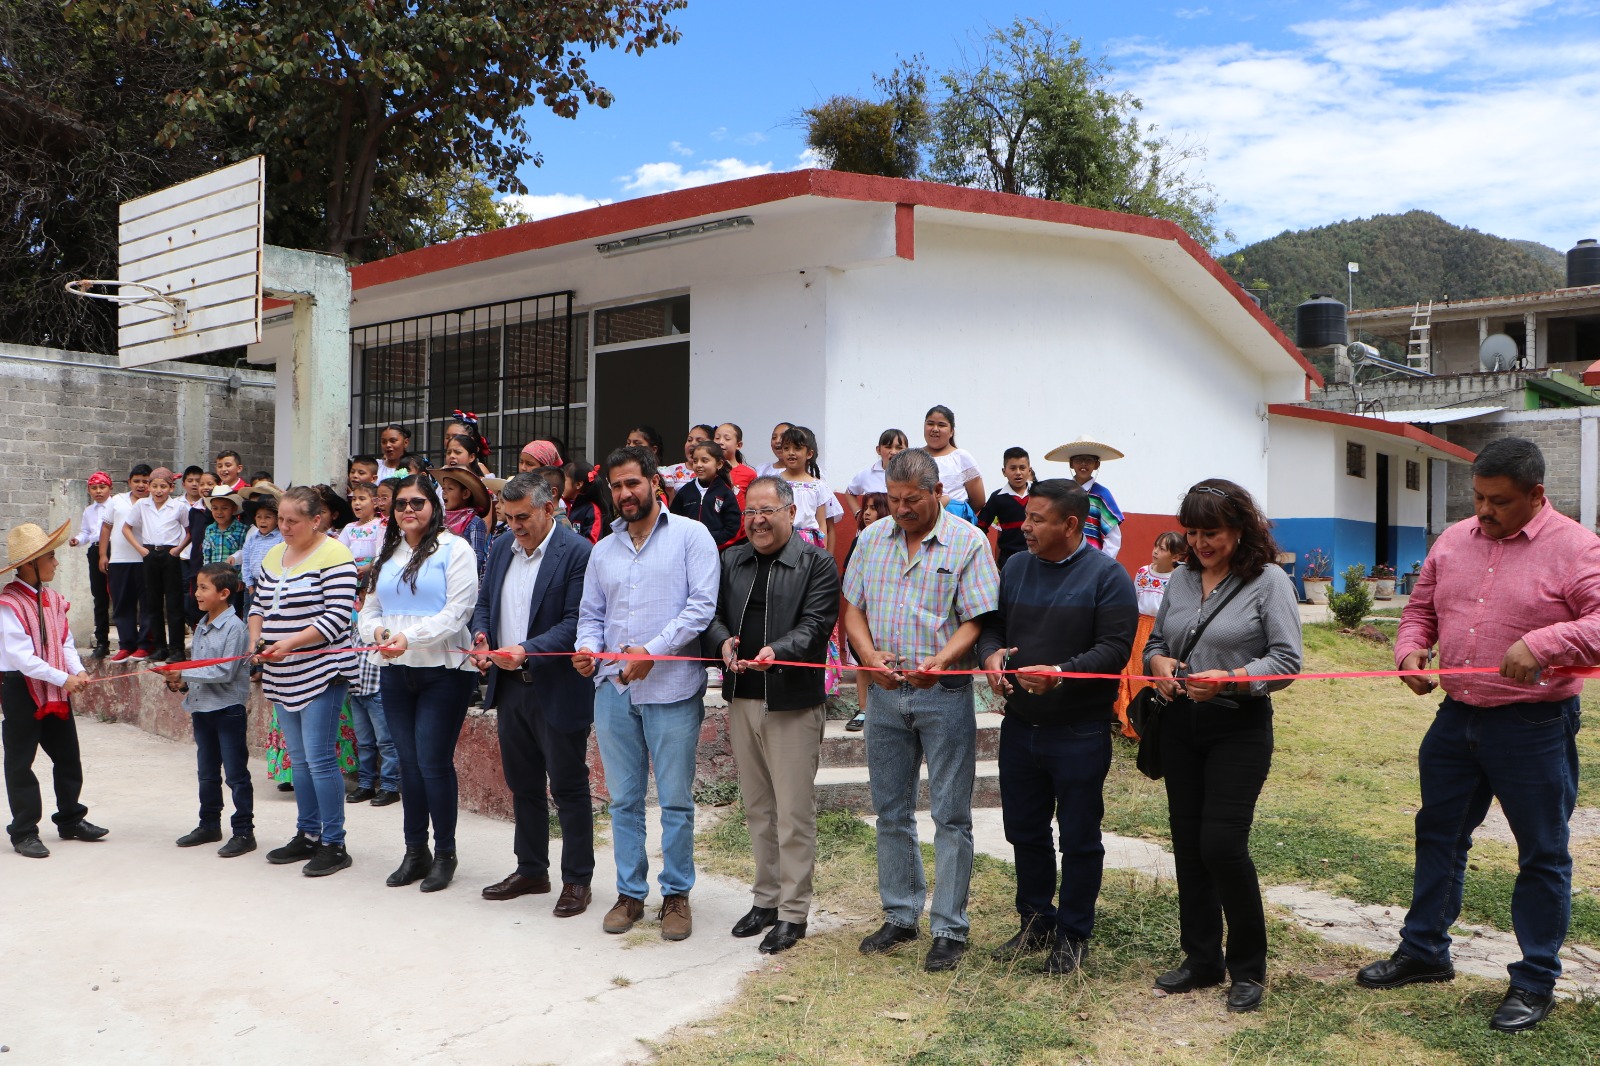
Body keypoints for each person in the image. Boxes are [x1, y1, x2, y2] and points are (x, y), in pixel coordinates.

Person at [1357, 438, 1600, 1033]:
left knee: (1542, 853)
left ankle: (1534, 979)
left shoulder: (1576, 548)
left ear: (1536, 495)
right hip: (1456, 717)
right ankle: (1424, 951)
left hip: (1534, 725)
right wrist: (1410, 651)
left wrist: (1543, 644)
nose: (1485, 511)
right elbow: (1420, 610)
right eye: (1479, 498)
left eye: (1500, 501)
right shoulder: (1453, 541)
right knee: (1438, 834)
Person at [1144, 479, 1303, 1014]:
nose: (1200, 543)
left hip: (1239, 726)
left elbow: (1286, 662)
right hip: (1181, 727)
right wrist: (1159, 665)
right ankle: (1202, 959)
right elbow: (1158, 642)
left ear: (1240, 528)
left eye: (1211, 532)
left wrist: (1231, 678)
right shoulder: (1182, 578)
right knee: (1188, 845)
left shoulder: (1269, 581)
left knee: (1221, 845)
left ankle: (1249, 968)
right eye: (1192, 532)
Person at [842, 447, 1000, 971]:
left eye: (912, 500)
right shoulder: (870, 538)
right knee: (891, 810)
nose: (902, 509)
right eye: (893, 499)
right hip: (885, 695)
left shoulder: (968, 542)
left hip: (944, 694)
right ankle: (901, 915)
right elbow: (853, 609)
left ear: (939, 493)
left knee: (951, 815)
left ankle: (950, 928)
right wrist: (867, 655)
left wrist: (940, 661)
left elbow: (976, 620)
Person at [977, 480, 1138, 973]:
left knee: (1078, 837)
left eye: (1037, 519)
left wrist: (1061, 675)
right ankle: (1034, 921)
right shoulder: (1017, 566)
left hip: (1079, 731)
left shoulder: (1108, 577)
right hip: (1021, 726)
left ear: (1070, 525)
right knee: (1023, 830)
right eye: (1026, 516)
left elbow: (1114, 649)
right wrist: (992, 655)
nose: (1024, 527)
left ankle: (1073, 934)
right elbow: (993, 625)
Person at [574, 445, 719, 941]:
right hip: (613, 689)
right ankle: (630, 894)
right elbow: (591, 615)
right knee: (623, 801)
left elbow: (701, 608)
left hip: (673, 689)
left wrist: (652, 650)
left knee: (676, 800)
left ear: (654, 481)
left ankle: (676, 895)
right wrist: (587, 649)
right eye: (615, 486)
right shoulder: (603, 549)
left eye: (632, 482)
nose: (624, 493)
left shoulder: (690, 535)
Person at [704, 476, 840, 954]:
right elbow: (713, 613)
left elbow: (817, 624)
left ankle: (793, 912)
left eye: (766, 511)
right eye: (749, 513)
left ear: (790, 511)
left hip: (791, 702)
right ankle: (765, 900)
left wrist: (776, 651)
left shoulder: (816, 562)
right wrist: (722, 640)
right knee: (758, 808)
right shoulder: (731, 560)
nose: (757, 521)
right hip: (742, 696)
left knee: (793, 813)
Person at [469, 473, 596, 917]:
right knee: (523, 786)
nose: (515, 526)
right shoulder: (501, 547)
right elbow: (484, 602)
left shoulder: (578, 552)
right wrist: (483, 637)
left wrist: (526, 650)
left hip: (557, 687)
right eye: (508, 517)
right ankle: (531, 869)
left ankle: (578, 879)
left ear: (549, 508)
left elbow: (576, 620)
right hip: (509, 689)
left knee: (568, 787)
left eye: (523, 517)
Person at [358, 474, 480, 893]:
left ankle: (445, 853)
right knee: (409, 765)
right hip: (394, 669)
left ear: (435, 505)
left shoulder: (456, 549)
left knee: (432, 762)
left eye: (417, 503)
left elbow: (458, 612)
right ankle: (415, 851)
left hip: (443, 672)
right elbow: (368, 610)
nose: (408, 511)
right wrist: (377, 636)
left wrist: (410, 638)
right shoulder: (386, 551)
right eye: (400, 504)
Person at [250, 486, 360, 878]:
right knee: (298, 758)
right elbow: (258, 606)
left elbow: (336, 618)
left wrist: (290, 643)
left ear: (317, 520)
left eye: (291, 521)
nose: (283, 527)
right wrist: (256, 645)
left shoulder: (336, 554)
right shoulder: (273, 554)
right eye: (279, 519)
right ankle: (308, 833)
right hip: (281, 670)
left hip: (321, 670)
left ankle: (335, 842)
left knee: (319, 758)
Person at [1, 520, 104, 858]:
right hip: (20, 688)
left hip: (55, 686)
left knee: (67, 756)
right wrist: (64, 678)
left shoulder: (54, 598)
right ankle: (24, 831)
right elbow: (22, 659)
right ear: (30, 564)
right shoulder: (8, 604)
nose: (56, 564)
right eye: (51, 558)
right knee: (20, 761)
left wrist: (77, 670)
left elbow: (65, 642)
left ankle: (71, 818)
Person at [165, 564, 255, 857]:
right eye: (197, 587)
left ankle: (243, 832)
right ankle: (209, 824)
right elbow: (197, 670)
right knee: (206, 773)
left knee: (236, 774)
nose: (197, 593)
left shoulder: (235, 628)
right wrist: (179, 682)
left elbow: (225, 671)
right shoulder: (202, 625)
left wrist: (185, 674)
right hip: (202, 708)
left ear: (224, 593)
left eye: (204, 588)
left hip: (227, 710)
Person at [1113, 532, 1185, 738]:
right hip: (1138, 627)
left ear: (1176, 557)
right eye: (1156, 546)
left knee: (1150, 676)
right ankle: (1128, 721)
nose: (1156, 551)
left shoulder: (1177, 578)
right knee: (1130, 673)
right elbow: (1134, 600)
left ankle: (1149, 721)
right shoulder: (1143, 571)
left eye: (1163, 549)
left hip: (1160, 631)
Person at [124, 467, 190, 661]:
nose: (158, 490)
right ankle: (159, 647)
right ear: (149, 487)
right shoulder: (142, 505)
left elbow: (189, 531)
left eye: (163, 486)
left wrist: (178, 549)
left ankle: (177, 649)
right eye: (154, 486)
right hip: (150, 554)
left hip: (170, 554)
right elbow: (126, 528)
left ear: (171, 487)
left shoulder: (179, 507)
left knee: (174, 604)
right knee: (152, 603)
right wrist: (141, 550)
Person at [842, 492, 888, 732]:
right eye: (865, 508)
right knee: (864, 660)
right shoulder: (860, 540)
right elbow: (848, 574)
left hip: (885, 614)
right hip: (865, 612)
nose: (867, 513)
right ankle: (863, 709)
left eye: (874, 508)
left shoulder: (892, 540)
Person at [101, 463, 153, 661]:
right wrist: (103, 555)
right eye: (137, 481)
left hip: (145, 560)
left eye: (145, 482)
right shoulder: (116, 500)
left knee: (148, 605)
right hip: (119, 560)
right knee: (122, 604)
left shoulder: (154, 501)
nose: (141, 485)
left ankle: (144, 645)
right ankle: (126, 645)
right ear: (129, 482)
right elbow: (106, 527)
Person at [1046, 438, 1125, 558]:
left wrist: (1102, 563)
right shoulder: (1063, 493)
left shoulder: (1102, 495)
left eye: (1089, 459)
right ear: (1071, 463)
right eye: (1079, 459)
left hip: (1092, 559)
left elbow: (1112, 537)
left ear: (1097, 464)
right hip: (1064, 557)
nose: (1083, 463)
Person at [776, 425, 839, 555]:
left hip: (809, 545)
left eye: (797, 448)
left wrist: (823, 554)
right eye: (786, 448)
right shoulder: (774, 483)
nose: (791, 452)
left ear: (809, 453)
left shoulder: (817, 486)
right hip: (781, 539)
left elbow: (822, 523)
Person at [69, 471, 113, 659]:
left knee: (120, 595)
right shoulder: (89, 511)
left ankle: (130, 641)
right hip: (95, 550)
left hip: (114, 549)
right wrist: (77, 540)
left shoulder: (116, 506)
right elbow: (86, 532)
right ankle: (102, 642)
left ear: (110, 488)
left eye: (102, 487)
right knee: (99, 596)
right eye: (94, 488)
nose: (98, 491)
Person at [667, 440, 742, 548]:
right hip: (687, 550)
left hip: (717, 551)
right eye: (695, 461)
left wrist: (712, 542)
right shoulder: (685, 492)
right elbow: (674, 522)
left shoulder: (725, 493)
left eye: (704, 461)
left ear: (719, 464)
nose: (699, 465)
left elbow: (733, 527)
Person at [920, 406, 984, 523]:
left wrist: (955, 510)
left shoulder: (961, 457)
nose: (935, 429)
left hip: (955, 522)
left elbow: (978, 500)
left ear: (951, 431)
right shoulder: (915, 457)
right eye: (930, 424)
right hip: (923, 521)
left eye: (941, 425)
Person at [974, 448, 1034, 570]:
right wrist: (987, 557)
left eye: (1022, 468)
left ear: (1029, 470)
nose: (1018, 472)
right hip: (1009, 559)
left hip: (1037, 557)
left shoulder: (1039, 494)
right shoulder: (997, 498)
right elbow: (980, 527)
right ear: (1004, 471)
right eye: (1013, 468)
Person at [201, 486, 249, 618]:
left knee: (234, 612)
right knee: (215, 612)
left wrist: (241, 578)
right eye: (215, 508)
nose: (219, 512)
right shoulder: (210, 530)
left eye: (224, 508)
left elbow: (245, 555)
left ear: (233, 509)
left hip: (234, 582)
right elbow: (207, 556)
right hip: (215, 581)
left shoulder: (242, 530)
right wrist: (206, 578)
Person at [435, 465, 492, 575]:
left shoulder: (475, 523)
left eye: (450, 489)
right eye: (443, 488)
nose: (444, 492)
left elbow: (476, 559)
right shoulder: (441, 520)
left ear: (465, 494)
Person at [844, 428, 908, 516]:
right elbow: (849, 493)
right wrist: (858, 514)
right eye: (888, 447)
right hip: (871, 529)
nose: (893, 452)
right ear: (878, 450)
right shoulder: (865, 475)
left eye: (899, 448)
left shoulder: (911, 476)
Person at [564, 460, 612, 544]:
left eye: (564, 480)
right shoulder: (563, 504)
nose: (560, 484)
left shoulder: (592, 509)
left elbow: (592, 542)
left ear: (578, 484)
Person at [660, 424, 716, 495]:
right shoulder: (669, 471)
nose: (692, 443)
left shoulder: (716, 473)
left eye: (699, 441)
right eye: (689, 440)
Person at [714, 423, 759, 508]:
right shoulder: (709, 470)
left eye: (727, 438)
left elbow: (754, 505)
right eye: (717, 438)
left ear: (739, 445)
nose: (720, 442)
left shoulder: (749, 474)